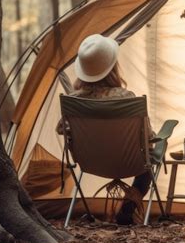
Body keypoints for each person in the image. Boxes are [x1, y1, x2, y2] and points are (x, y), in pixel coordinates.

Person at [57, 34, 151, 225]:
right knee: (152, 156)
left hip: (90, 162)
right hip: (129, 162)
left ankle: (126, 209)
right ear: (113, 68)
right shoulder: (127, 98)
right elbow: (148, 135)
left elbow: (61, 129)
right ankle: (128, 208)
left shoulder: (74, 101)